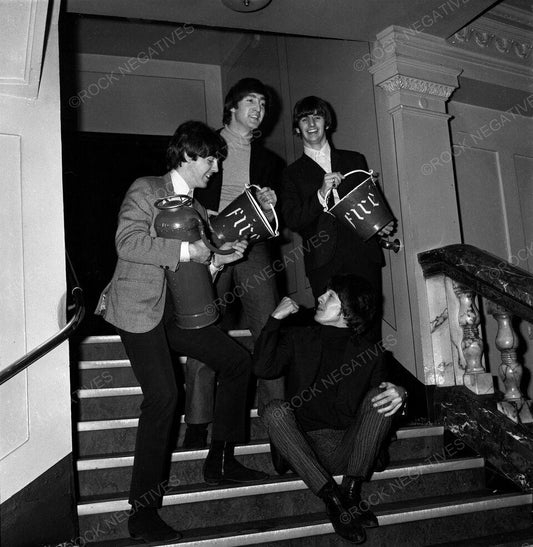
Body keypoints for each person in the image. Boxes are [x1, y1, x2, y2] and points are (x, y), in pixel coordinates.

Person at [96, 121, 268, 544]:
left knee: (236, 361)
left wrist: (222, 257)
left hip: (178, 313)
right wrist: (185, 249)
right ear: (188, 155)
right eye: (210, 158)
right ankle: (143, 509)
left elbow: (201, 267)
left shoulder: (202, 210)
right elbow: (127, 243)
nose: (214, 167)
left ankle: (221, 459)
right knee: (164, 396)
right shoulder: (147, 189)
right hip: (139, 308)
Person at [253, 274, 407, 544]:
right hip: (302, 447)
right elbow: (263, 368)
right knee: (274, 410)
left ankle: (351, 491)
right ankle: (334, 501)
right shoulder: (298, 337)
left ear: (348, 310)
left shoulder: (372, 353)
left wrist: (401, 394)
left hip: (349, 448)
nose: (320, 298)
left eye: (331, 296)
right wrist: (274, 320)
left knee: (383, 394)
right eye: (324, 293)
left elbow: (381, 406)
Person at [183, 78, 283, 448]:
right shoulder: (205, 143)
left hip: (253, 247)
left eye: (263, 104)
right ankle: (196, 422)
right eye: (251, 101)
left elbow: (275, 218)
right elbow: (181, 189)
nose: (258, 109)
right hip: (209, 243)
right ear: (232, 107)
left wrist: (272, 201)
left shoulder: (271, 161)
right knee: (204, 329)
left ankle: (278, 428)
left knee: (270, 331)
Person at [281, 95, 394, 302]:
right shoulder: (290, 174)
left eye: (317, 117)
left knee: (368, 326)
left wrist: (382, 221)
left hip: (363, 254)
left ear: (327, 123)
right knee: (334, 330)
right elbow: (293, 220)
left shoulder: (355, 159)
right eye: (304, 119)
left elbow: (371, 201)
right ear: (297, 128)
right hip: (323, 261)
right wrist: (320, 194)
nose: (312, 124)